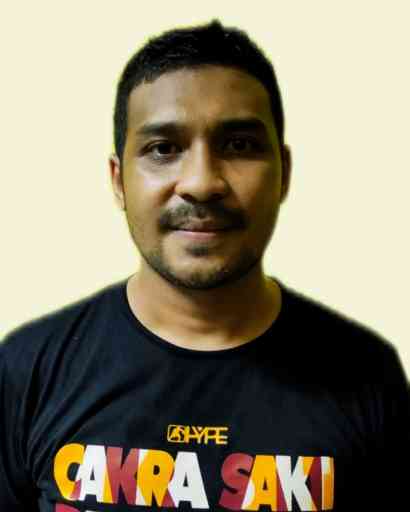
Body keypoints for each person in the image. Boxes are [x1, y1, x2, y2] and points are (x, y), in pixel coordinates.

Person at [1, 19, 408, 512]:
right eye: (163, 149)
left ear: (283, 174)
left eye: (239, 145)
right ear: (118, 180)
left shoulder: (367, 376)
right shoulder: (28, 369)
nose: (200, 182)